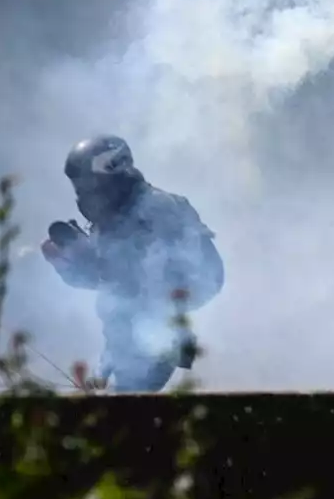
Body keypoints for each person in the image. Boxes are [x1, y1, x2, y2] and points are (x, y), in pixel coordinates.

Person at [40, 135, 224, 392]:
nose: (84, 194)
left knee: (125, 417)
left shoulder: (158, 209)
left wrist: (161, 296)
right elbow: (104, 281)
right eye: (79, 186)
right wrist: (70, 265)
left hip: (156, 341)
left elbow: (207, 276)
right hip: (123, 344)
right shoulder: (110, 221)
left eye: (89, 185)